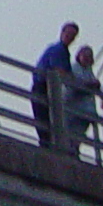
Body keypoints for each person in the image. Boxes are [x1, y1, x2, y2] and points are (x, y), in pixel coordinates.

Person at [30, 22, 78, 151]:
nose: (70, 37)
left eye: (73, 35)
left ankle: (48, 145)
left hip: (48, 88)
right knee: (44, 120)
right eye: (68, 34)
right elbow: (60, 71)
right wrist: (77, 82)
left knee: (47, 120)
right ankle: (46, 147)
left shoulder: (63, 52)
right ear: (62, 33)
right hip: (42, 86)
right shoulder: (58, 50)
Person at [66, 45, 103, 161]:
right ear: (79, 55)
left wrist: (96, 85)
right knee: (71, 134)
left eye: (90, 57)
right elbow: (75, 86)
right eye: (85, 56)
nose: (87, 59)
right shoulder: (74, 68)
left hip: (87, 111)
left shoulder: (89, 71)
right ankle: (70, 153)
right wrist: (90, 85)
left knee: (79, 136)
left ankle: (75, 152)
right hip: (74, 109)